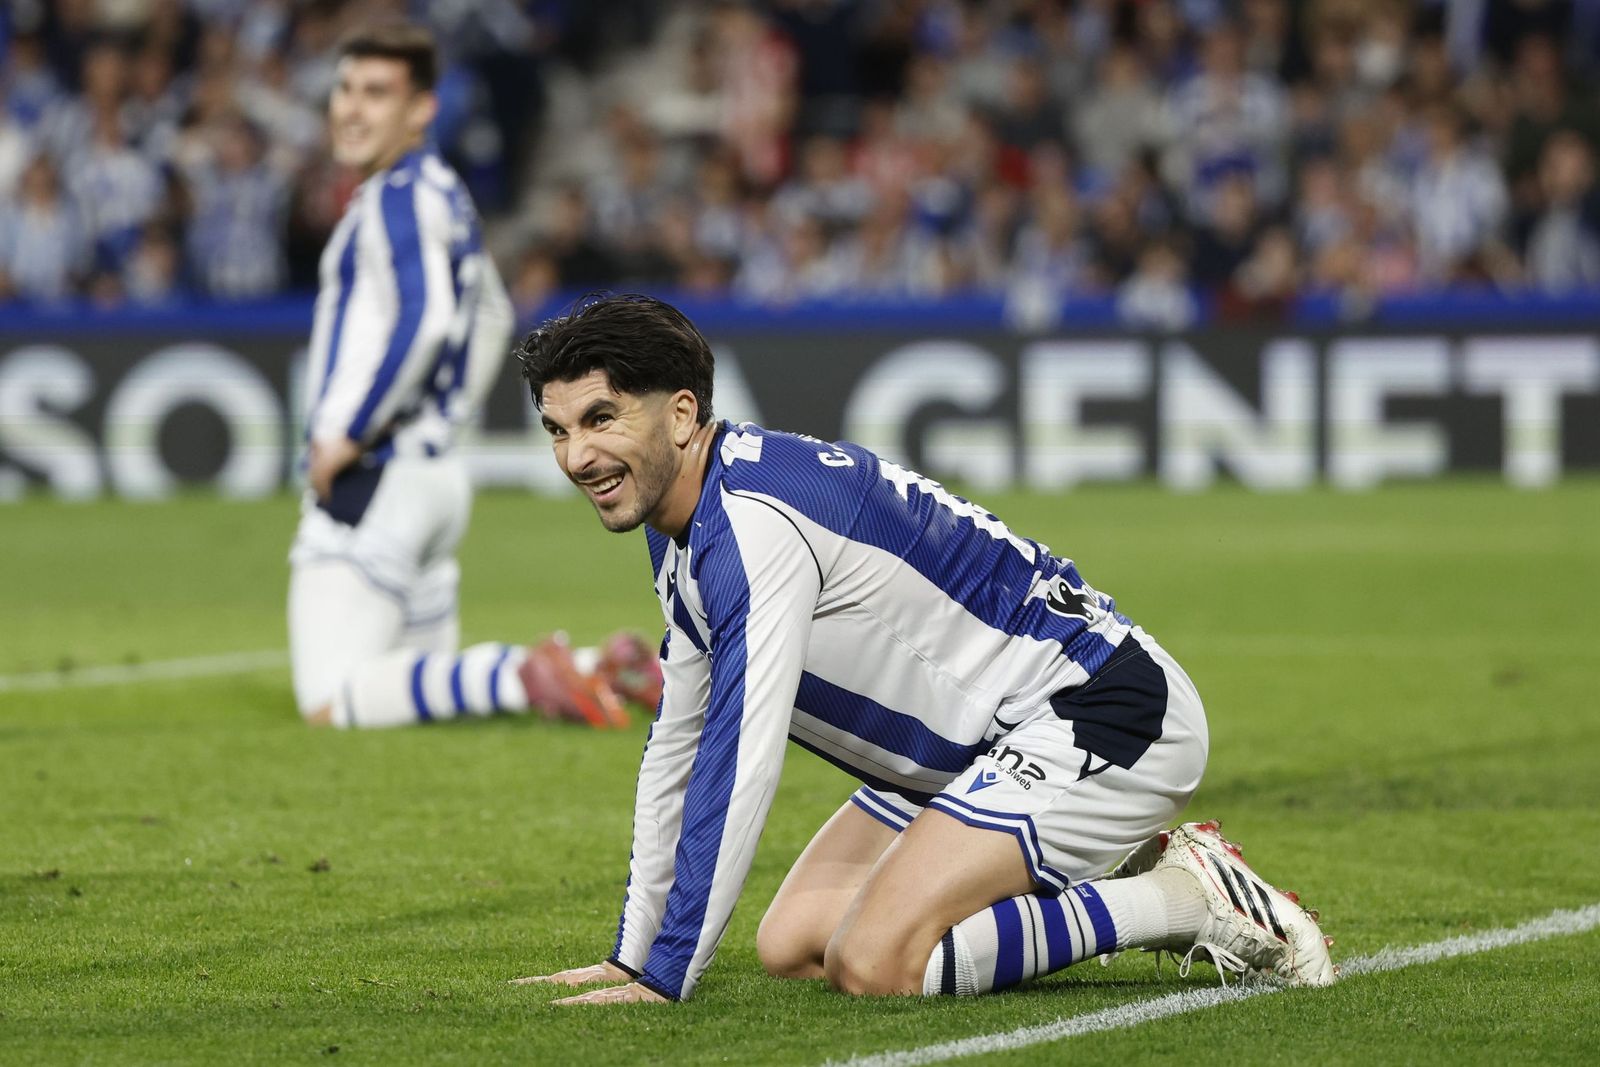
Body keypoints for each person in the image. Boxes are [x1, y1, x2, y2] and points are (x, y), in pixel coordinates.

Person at [509, 294, 1336, 1004]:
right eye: (557, 429)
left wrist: (665, 977)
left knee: (876, 960)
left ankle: (1184, 899)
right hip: (979, 742)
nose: (577, 456)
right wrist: (633, 952)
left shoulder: (754, 525)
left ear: (682, 414)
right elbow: (678, 745)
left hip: (1098, 715)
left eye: (601, 419)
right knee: (795, 943)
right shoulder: (692, 518)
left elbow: (740, 758)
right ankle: (1045, 871)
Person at [287, 24, 658, 730]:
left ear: (423, 109)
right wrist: (444, 411)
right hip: (431, 476)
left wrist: (348, 433)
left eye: (377, 93)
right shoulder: (445, 195)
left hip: (379, 475)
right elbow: (489, 311)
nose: (352, 109)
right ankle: (586, 666)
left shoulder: (396, 197)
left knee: (330, 701)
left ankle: (522, 675)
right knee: (415, 689)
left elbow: (424, 320)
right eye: (345, 89)